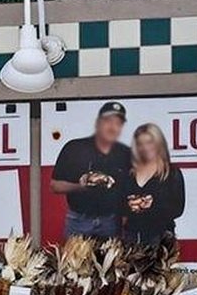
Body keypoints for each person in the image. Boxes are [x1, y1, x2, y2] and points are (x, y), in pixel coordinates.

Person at [51, 101, 133, 244]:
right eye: (108, 121)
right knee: (74, 265)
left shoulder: (125, 153)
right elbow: (55, 185)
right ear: (98, 122)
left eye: (117, 122)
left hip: (111, 222)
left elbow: (129, 189)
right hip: (78, 221)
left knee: (109, 265)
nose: (112, 126)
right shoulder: (74, 148)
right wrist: (80, 186)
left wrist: (125, 220)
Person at [120, 122, 185, 249]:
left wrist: (152, 204)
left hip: (161, 238)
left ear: (158, 144)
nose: (145, 147)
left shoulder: (172, 173)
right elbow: (118, 203)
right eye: (140, 143)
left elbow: (178, 208)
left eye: (149, 142)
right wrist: (130, 205)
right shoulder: (128, 173)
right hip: (131, 237)